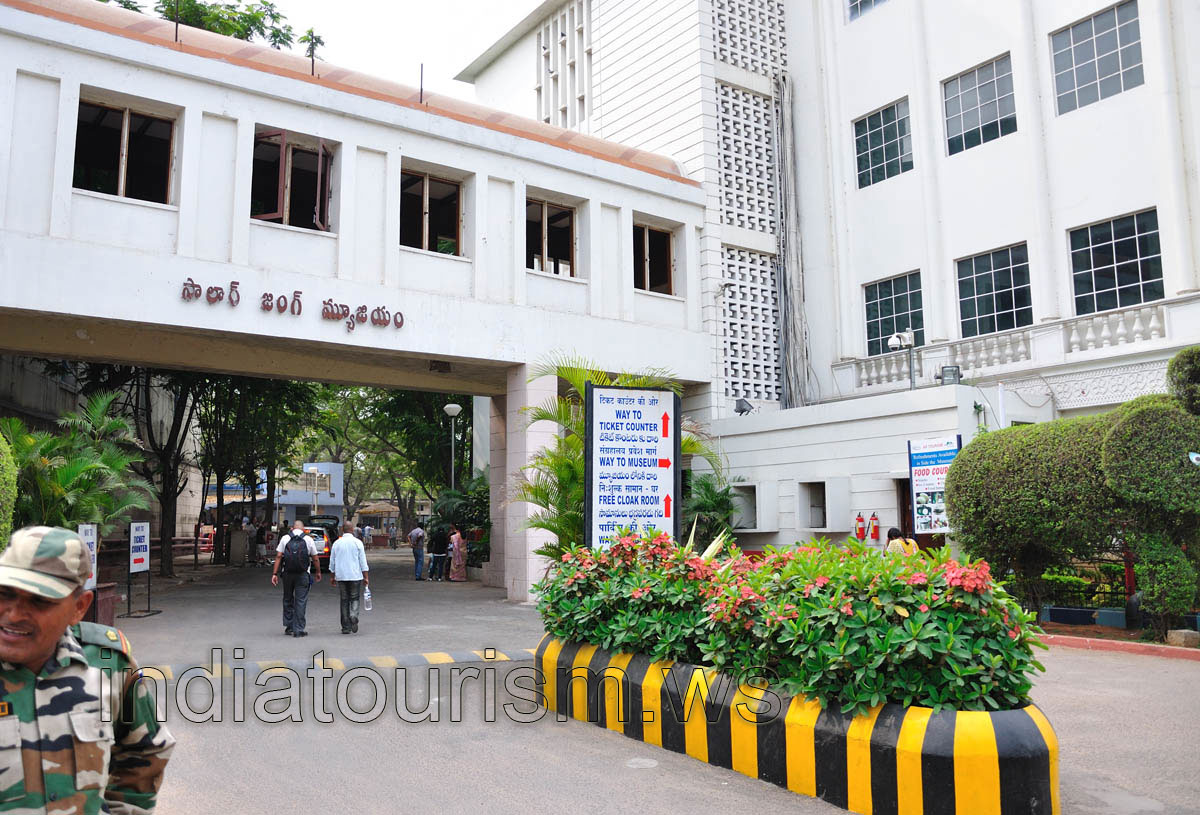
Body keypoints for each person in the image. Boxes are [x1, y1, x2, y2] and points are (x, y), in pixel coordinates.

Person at [0, 526, 175, 811]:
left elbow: (144, 751)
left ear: (79, 607)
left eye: (39, 600)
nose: (15, 614)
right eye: (5, 593)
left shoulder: (108, 662)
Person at [271, 519, 322, 637]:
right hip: (303, 574)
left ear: (292, 528)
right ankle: (298, 629)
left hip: (287, 574)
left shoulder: (285, 538)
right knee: (301, 601)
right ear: (303, 529)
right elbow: (315, 558)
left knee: (288, 599)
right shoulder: (308, 539)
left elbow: (278, 556)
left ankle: (289, 627)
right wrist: (318, 571)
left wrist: (274, 574)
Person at [329, 521, 369, 634]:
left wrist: (332, 577)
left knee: (344, 600)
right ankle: (353, 615)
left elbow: (332, 562)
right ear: (352, 530)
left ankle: (346, 627)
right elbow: (363, 562)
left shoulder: (337, 543)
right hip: (355, 575)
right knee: (354, 597)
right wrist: (366, 577)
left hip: (341, 576)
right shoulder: (358, 543)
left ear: (342, 530)